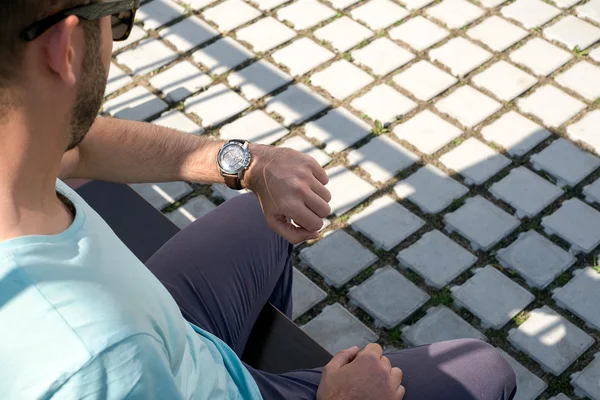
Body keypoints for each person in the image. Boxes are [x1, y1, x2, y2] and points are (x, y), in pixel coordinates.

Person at [0, 1, 517, 399]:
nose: (117, 37)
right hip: (152, 357)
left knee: (260, 218)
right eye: (117, 16)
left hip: (169, 335)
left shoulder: (19, 152)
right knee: (483, 371)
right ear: (64, 49)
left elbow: (78, 145)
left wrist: (246, 163)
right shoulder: (96, 359)